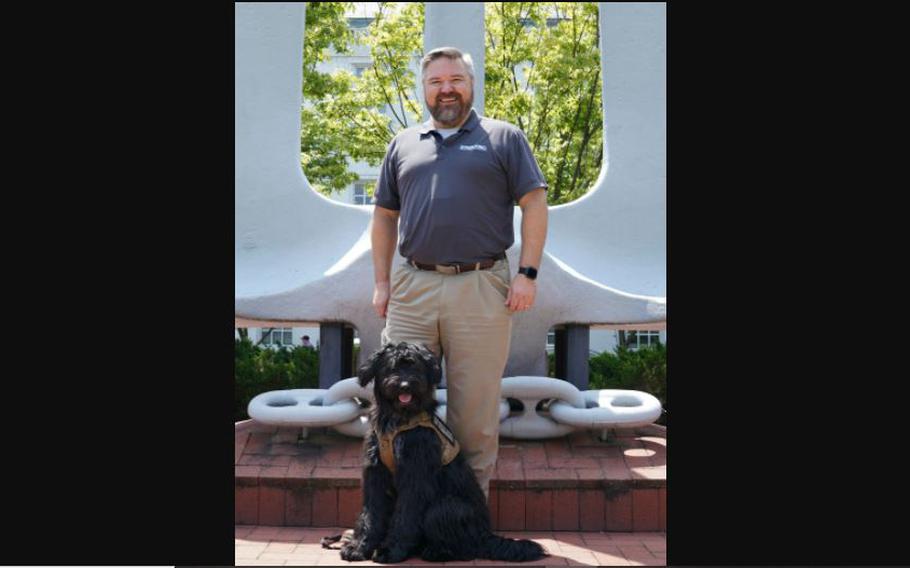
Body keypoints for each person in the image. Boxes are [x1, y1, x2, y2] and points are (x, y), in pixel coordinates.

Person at [369, 46, 548, 500]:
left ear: (471, 84)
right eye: (436, 81)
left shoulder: (504, 138)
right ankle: (395, 512)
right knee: (394, 404)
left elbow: (534, 204)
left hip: (482, 286)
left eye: (456, 80)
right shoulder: (403, 144)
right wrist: (382, 282)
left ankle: (467, 516)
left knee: (474, 411)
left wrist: (527, 273)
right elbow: (384, 216)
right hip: (412, 287)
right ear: (424, 89)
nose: (446, 89)